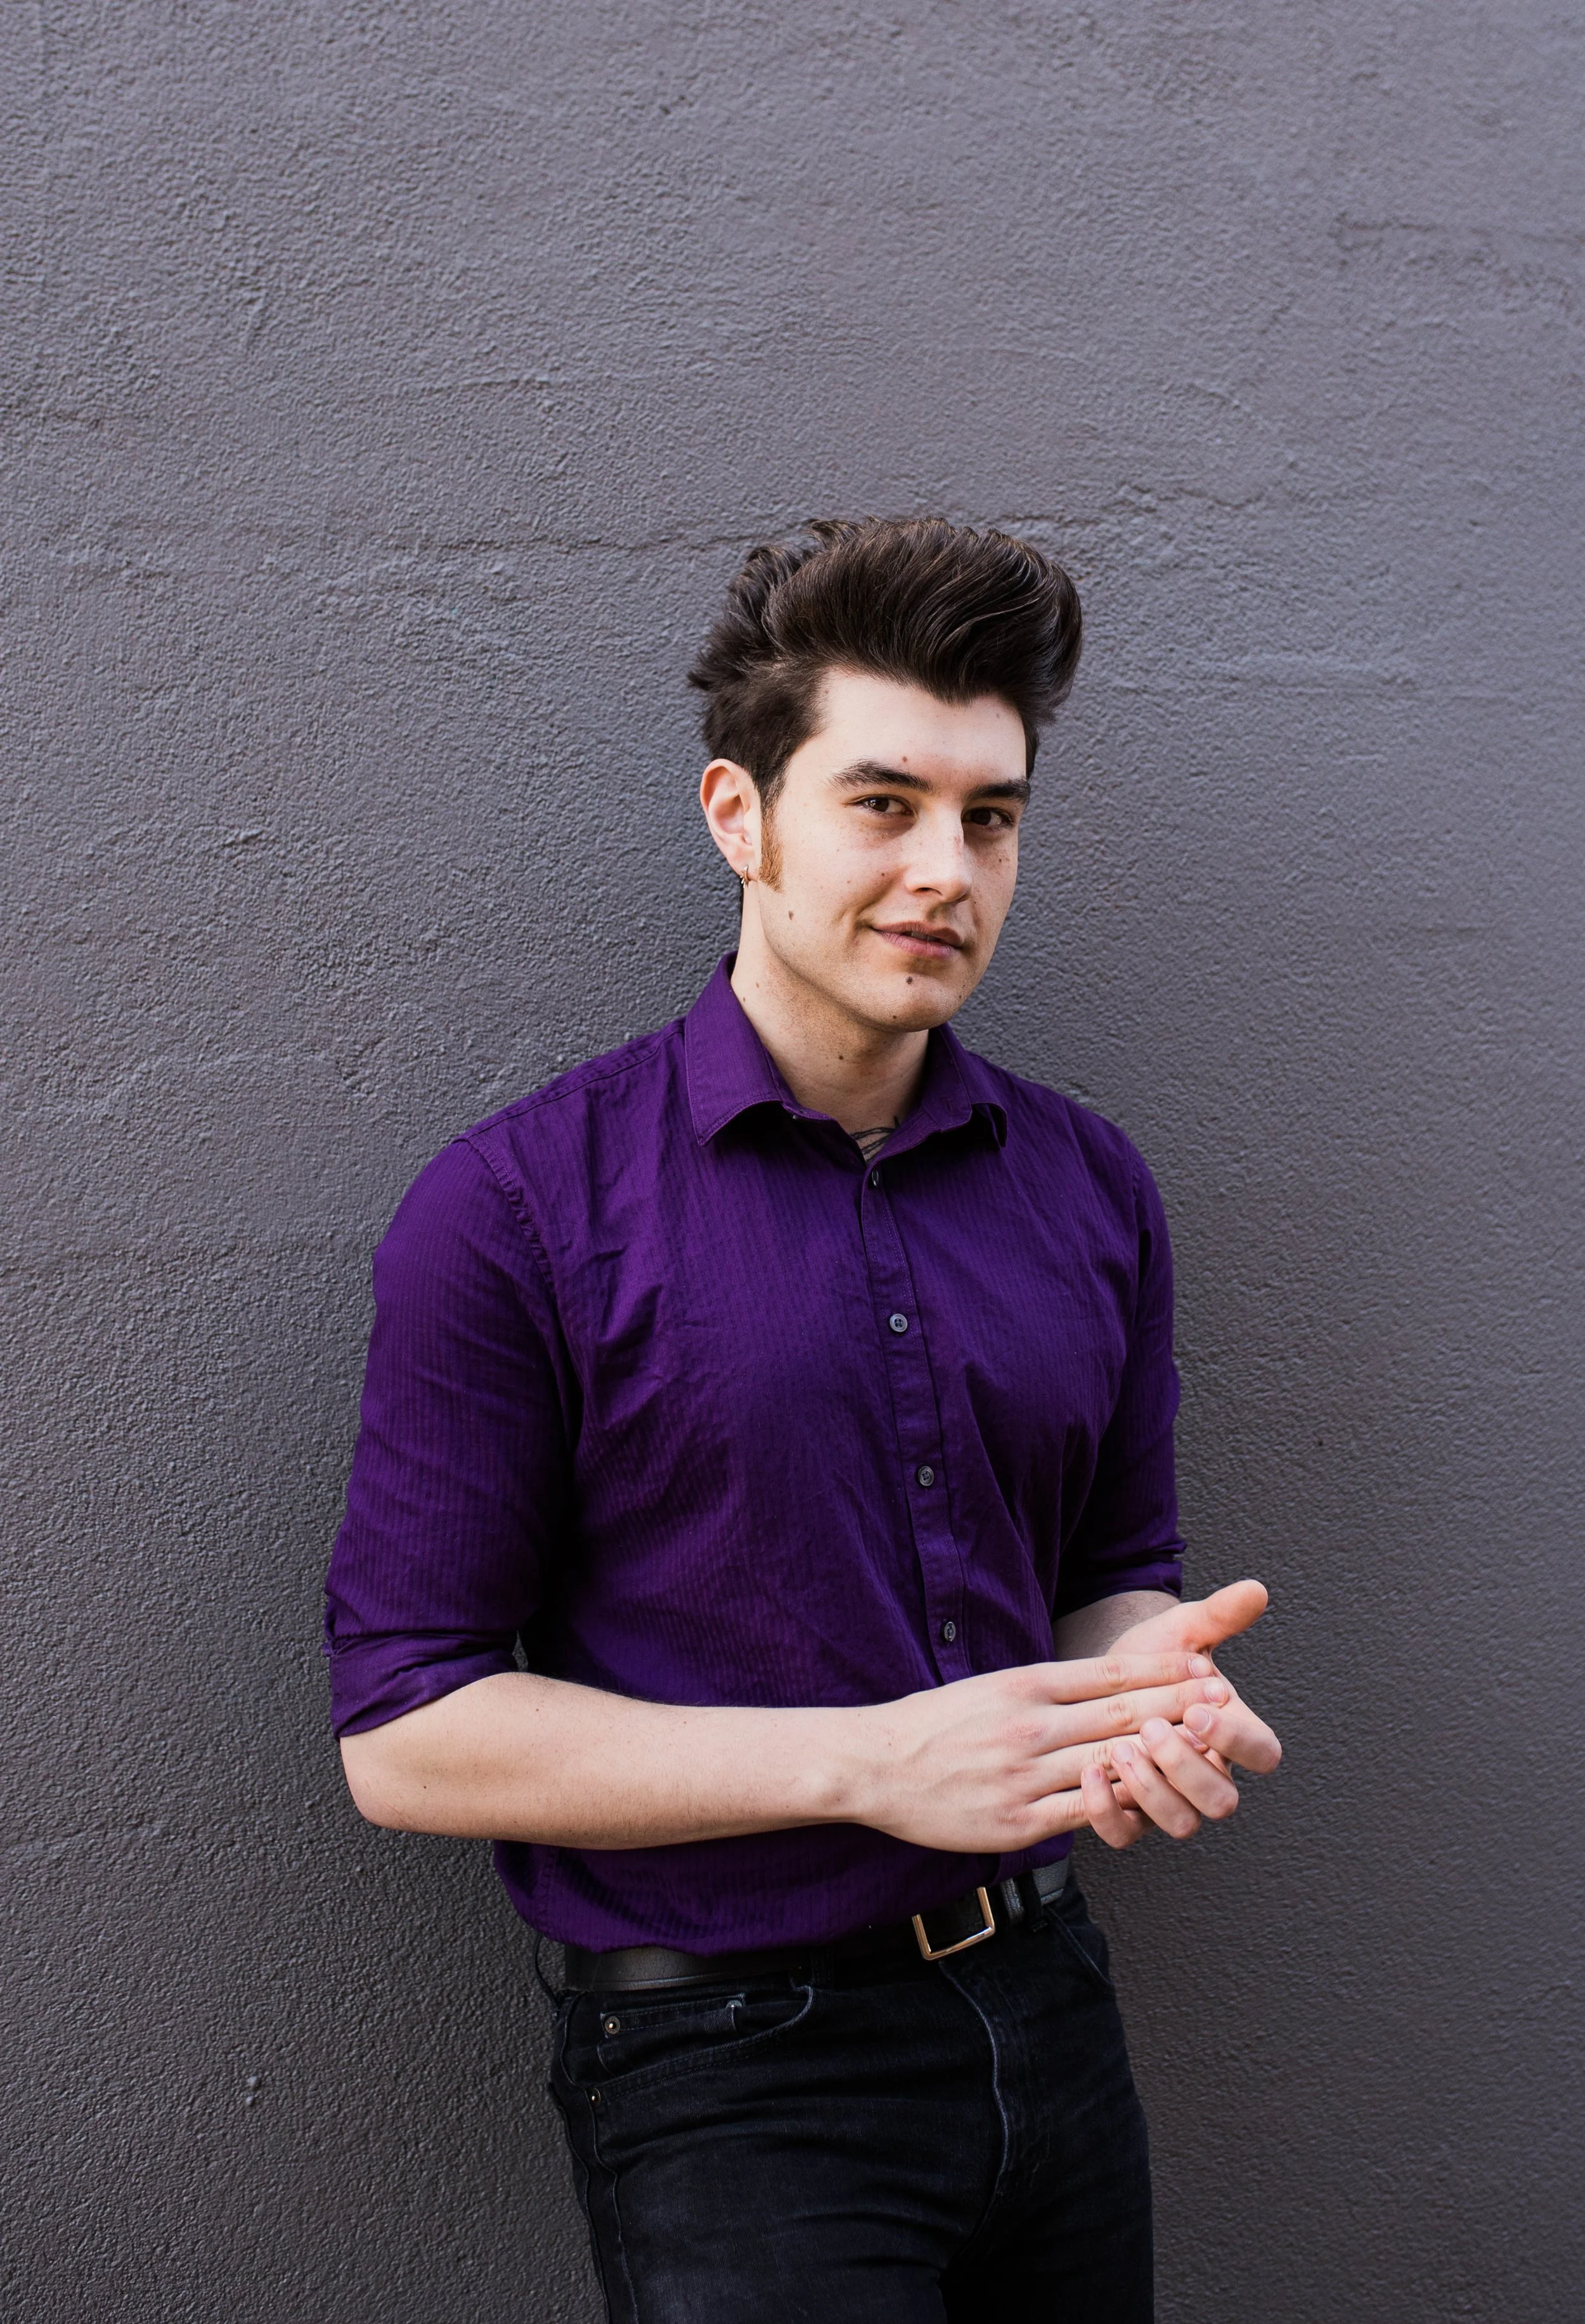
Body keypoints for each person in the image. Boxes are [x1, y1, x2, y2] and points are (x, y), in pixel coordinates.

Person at [325, 516, 1282, 2322]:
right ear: (736, 815)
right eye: (882, 804)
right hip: (729, 2076)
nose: (945, 870)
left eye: (988, 818)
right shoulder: (520, 1208)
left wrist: (1148, 1680)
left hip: (1048, 2012)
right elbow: (406, 1735)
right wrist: (866, 1764)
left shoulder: (1091, 1185)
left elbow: (1106, 1573)